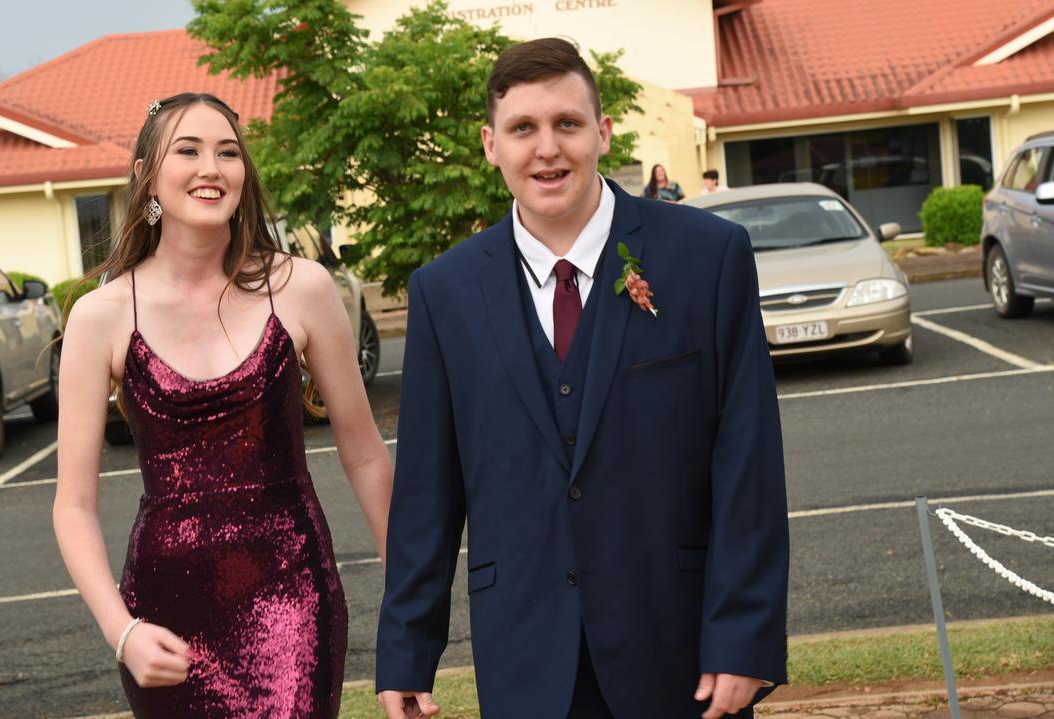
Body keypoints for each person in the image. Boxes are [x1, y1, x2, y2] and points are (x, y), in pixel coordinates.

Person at [375, 38, 788, 719]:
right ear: (490, 144)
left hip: (678, 653)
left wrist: (743, 635)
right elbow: (426, 492)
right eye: (522, 129)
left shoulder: (707, 258)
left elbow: (746, 461)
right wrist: (406, 651)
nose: (547, 149)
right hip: (523, 658)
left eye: (566, 124)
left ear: (601, 132)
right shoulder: (443, 292)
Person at [52, 93, 392, 718]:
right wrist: (120, 630)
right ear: (146, 174)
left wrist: (407, 608)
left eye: (228, 153)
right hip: (163, 617)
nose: (212, 167)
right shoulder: (99, 317)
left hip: (294, 601)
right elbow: (72, 505)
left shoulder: (302, 288)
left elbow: (367, 456)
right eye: (188, 150)